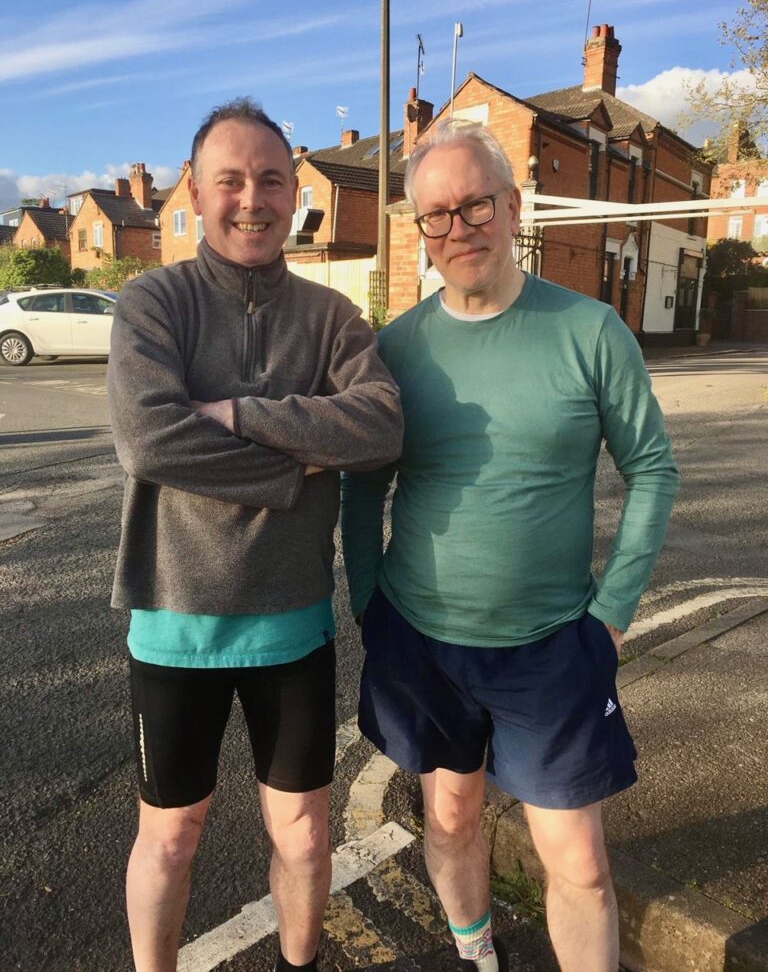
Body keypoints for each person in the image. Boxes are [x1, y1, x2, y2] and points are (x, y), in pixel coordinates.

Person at [341, 119, 679, 972]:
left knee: (579, 862)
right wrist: (366, 599)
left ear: (512, 205)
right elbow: (360, 485)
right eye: (437, 215)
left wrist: (610, 614)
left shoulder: (592, 331)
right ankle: (475, 952)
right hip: (420, 637)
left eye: (475, 205)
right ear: (419, 228)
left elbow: (653, 469)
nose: (459, 229)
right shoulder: (396, 350)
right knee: (448, 818)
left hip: (551, 647)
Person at [108, 97, 403, 972]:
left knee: (307, 838)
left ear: (294, 194)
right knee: (170, 840)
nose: (252, 199)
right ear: (195, 194)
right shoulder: (152, 301)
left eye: (271, 179)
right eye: (229, 180)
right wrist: (293, 468)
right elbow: (150, 437)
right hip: (175, 620)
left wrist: (239, 413)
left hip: (291, 620)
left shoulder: (332, 318)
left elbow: (382, 425)